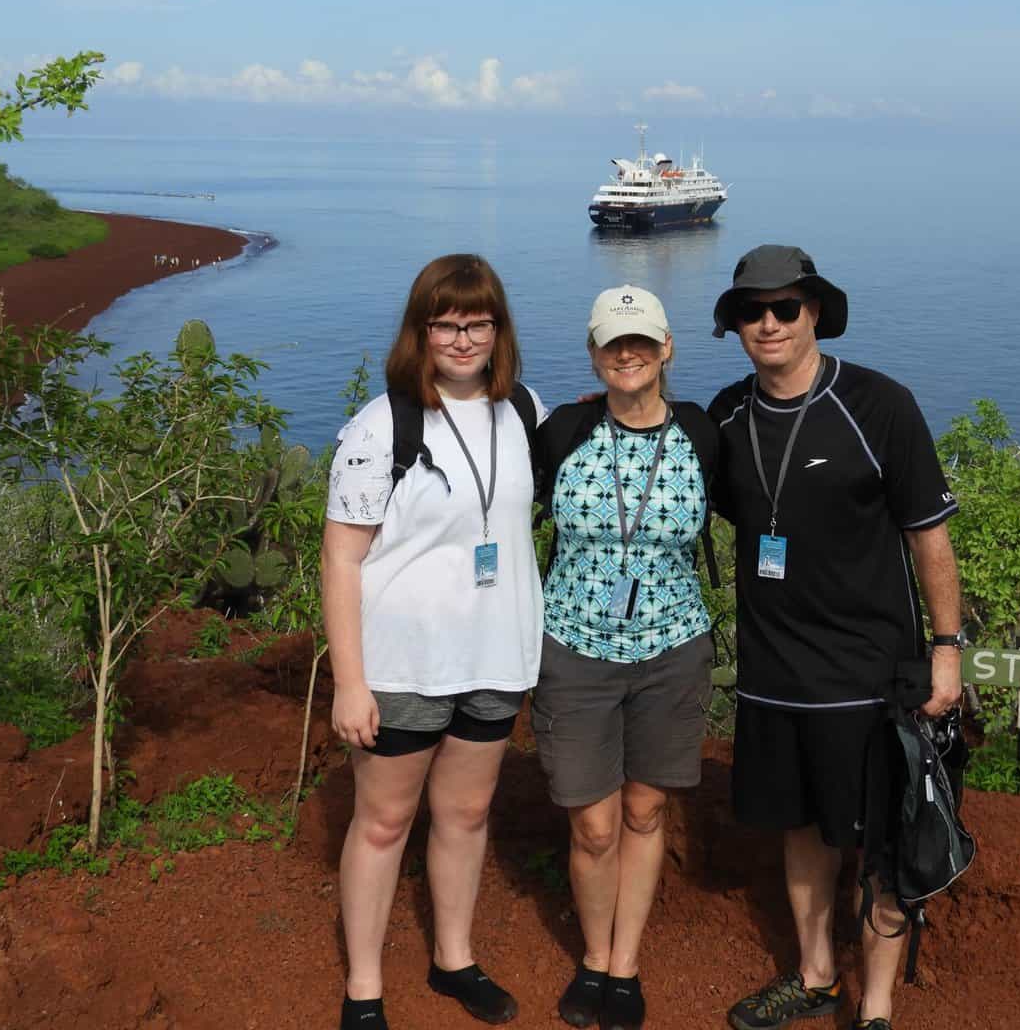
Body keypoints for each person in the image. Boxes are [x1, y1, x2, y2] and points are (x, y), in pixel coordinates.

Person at [705, 245, 963, 1030]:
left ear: (816, 311)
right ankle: (817, 974)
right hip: (774, 672)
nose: (770, 323)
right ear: (736, 325)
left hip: (870, 672)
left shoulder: (879, 405)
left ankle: (876, 1007)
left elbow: (929, 538)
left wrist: (946, 649)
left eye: (787, 307)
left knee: (883, 841)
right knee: (804, 831)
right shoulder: (726, 415)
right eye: (753, 311)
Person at [324, 254, 546, 1030]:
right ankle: (363, 987)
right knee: (383, 822)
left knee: (468, 814)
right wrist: (350, 682)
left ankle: (453, 959)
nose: (460, 338)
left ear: (497, 330)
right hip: (403, 662)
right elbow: (342, 557)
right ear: (421, 330)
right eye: (444, 323)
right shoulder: (382, 424)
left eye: (475, 322)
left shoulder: (523, 409)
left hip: (495, 655)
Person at [530, 285, 719, 1030]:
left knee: (643, 812)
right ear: (594, 354)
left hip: (672, 647)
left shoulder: (704, 435)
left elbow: (770, 504)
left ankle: (624, 964)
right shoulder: (563, 432)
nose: (628, 353)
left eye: (641, 340)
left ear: (667, 348)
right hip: (573, 646)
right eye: (614, 343)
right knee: (594, 825)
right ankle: (592, 957)